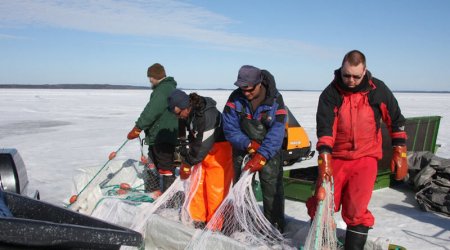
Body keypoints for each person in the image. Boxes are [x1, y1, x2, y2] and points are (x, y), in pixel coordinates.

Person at [307, 50, 408, 250]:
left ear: (364, 72)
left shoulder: (378, 90)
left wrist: (400, 151)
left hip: (366, 158)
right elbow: (325, 129)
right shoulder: (331, 93)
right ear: (341, 70)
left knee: (356, 209)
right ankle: (322, 244)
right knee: (323, 204)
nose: (351, 80)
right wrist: (325, 158)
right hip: (336, 158)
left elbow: (396, 120)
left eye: (356, 76)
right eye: (346, 75)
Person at [222, 65, 287, 232]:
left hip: (269, 150)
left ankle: (274, 226)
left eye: (249, 89)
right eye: (242, 89)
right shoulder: (235, 100)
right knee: (241, 188)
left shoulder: (275, 100)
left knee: (272, 188)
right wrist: (249, 145)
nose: (246, 93)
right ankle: (243, 224)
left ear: (259, 83)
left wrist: (262, 155)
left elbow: (277, 131)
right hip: (242, 147)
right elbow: (230, 128)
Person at [167, 89, 234, 227]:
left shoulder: (207, 116)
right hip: (201, 152)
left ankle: (215, 225)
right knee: (197, 184)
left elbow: (202, 146)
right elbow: (190, 137)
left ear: (187, 106)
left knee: (215, 189)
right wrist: (184, 150)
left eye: (179, 114)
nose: (179, 117)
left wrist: (187, 163)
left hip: (220, 150)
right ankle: (198, 218)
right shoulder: (188, 113)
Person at [127, 63, 179, 193]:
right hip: (160, 135)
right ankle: (152, 193)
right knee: (152, 164)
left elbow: (151, 111)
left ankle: (168, 200)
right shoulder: (167, 88)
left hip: (162, 136)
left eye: (150, 77)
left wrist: (138, 127)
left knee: (165, 167)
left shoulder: (162, 90)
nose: (149, 80)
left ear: (154, 77)